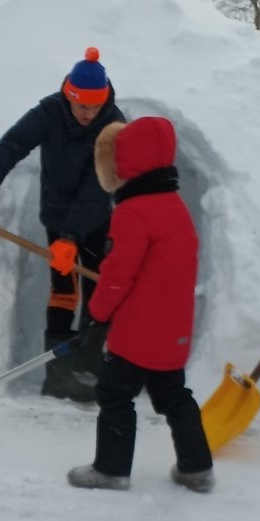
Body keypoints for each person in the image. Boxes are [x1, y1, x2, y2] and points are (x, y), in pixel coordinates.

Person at [0, 47, 124, 401]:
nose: (87, 114)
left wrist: (73, 237)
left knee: (99, 294)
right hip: (56, 215)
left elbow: (97, 187)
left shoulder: (114, 125)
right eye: (81, 106)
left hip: (96, 221)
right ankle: (58, 376)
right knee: (64, 290)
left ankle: (88, 371)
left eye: (94, 107)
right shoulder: (49, 113)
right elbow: (11, 146)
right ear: (69, 96)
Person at [66, 116, 213, 493]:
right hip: (173, 329)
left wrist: (97, 314)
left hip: (136, 330)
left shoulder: (132, 213)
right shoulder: (175, 206)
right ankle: (197, 468)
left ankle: (111, 469)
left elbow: (117, 274)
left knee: (115, 394)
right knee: (174, 395)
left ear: (125, 161)